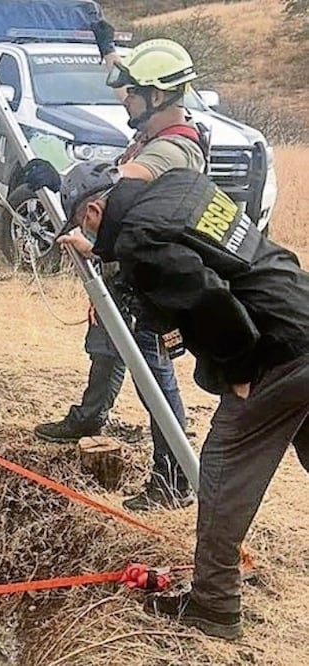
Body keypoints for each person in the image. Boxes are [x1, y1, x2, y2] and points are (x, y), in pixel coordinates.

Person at [57, 158, 309, 640]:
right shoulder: (180, 185)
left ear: (92, 211)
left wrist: (238, 368)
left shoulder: (139, 239)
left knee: (223, 466)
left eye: (83, 223)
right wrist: (101, 249)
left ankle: (213, 604)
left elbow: (206, 296)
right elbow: (187, 248)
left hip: (277, 350)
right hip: (299, 306)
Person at [27, 39, 207, 510]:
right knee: (106, 346)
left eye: (132, 94)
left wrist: (60, 178)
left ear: (158, 96)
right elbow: (126, 96)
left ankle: (174, 479)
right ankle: (89, 417)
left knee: (154, 377)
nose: (123, 100)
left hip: (152, 285)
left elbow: (112, 186)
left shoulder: (174, 151)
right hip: (123, 268)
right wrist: (107, 49)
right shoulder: (153, 131)